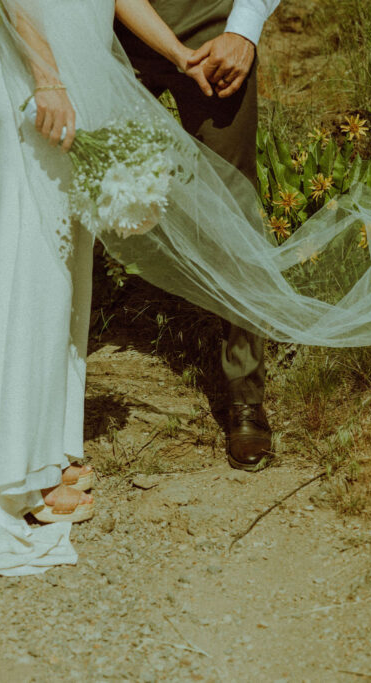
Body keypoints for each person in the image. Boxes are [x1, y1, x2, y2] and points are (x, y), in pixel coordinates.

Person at [0, 0, 371, 576]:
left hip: (148, 38)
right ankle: (14, 463)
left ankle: (80, 443)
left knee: (140, 239)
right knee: (44, 257)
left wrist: (214, 41)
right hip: (66, 59)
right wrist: (49, 76)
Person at [114, 0, 280, 473]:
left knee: (233, 210)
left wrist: (244, 31)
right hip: (111, 36)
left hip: (213, 31)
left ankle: (245, 396)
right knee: (74, 189)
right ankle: (54, 388)